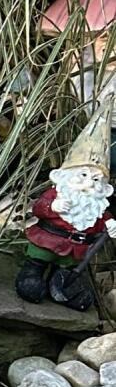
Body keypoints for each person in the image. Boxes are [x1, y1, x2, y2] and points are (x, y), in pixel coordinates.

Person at [16, 109, 116, 312]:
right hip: (47, 242)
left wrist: (110, 224)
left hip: (74, 252)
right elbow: (38, 208)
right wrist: (51, 207)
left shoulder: (96, 204)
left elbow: (101, 220)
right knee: (35, 269)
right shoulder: (58, 193)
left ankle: (60, 286)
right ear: (67, 175)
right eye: (84, 175)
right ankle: (32, 276)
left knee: (67, 275)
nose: (89, 183)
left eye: (96, 179)